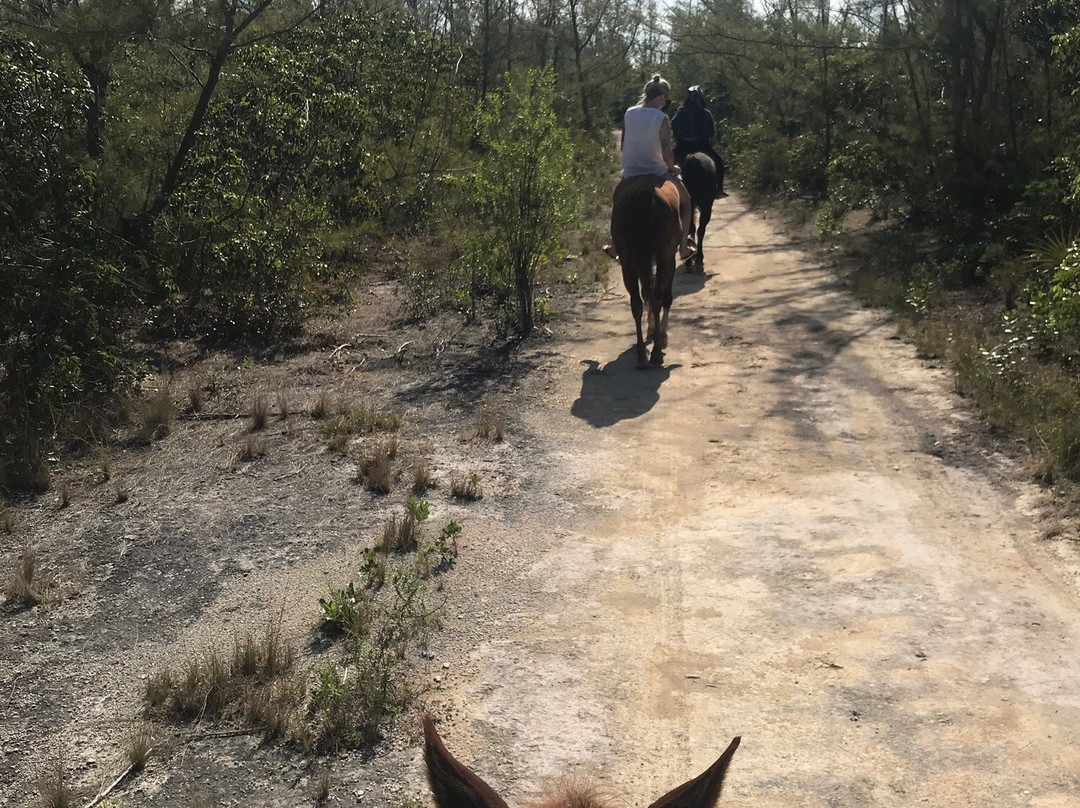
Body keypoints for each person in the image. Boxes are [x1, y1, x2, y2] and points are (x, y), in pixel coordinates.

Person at [604, 74, 696, 262]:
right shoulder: (661, 117)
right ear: (661, 97)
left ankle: (615, 246)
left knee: (617, 202)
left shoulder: (629, 112)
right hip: (657, 171)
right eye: (666, 98)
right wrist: (673, 168)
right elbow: (665, 150)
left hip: (631, 172)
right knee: (686, 201)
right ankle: (684, 247)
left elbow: (622, 146)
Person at [671, 85, 727, 197]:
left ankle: (668, 187)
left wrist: (680, 137)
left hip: (683, 146)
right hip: (702, 145)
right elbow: (710, 131)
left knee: (668, 164)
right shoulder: (705, 112)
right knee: (718, 162)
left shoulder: (681, 112)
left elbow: (673, 126)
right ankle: (719, 189)